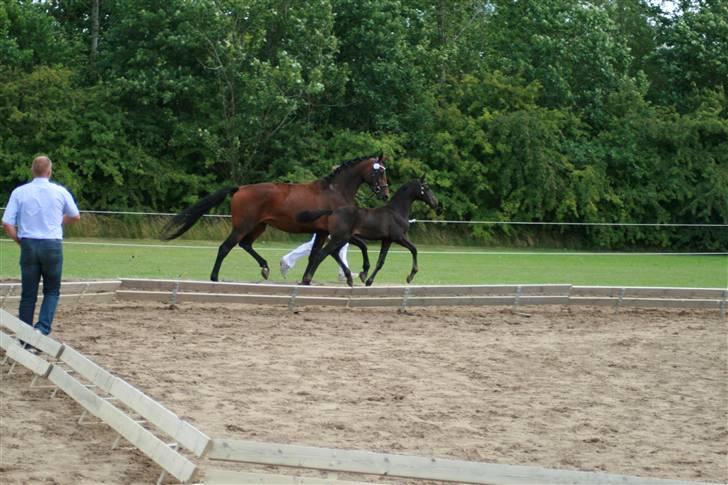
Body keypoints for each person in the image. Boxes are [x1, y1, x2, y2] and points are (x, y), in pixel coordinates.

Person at [2, 155, 81, 351]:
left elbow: (7, 223)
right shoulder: (59, 191)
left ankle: (24, 337)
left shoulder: (20, 192)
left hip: (28, 243)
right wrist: (58, 221)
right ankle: (42, 329)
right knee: (52, 290)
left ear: (32, 170)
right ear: (49, 171)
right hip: (52, 245)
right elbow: (75, 216)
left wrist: (19, 240)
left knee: (28, 294)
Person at [280, 234, 349, 281]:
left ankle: (343, 272)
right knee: (314, 244)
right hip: (329, 220)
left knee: (343, 244)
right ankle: (287, 260)